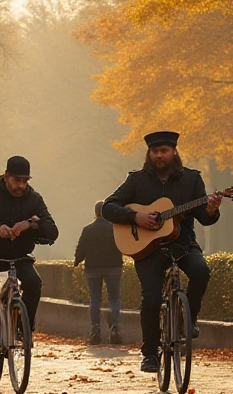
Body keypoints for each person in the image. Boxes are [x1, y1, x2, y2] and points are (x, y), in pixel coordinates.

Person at [102, 132, 221, 372]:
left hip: (183, 244)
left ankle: (190, 319)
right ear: (149, 154)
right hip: (147, 250)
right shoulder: (136, 180)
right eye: (155, 151)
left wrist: (211, 210)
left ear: (174, 152)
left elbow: (205, 219)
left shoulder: (192, 179)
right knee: (152, 298)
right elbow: (108, 207)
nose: (159, 155)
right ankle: (150, 354)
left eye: (164, 151)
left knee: (201, 272)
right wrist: (136, 216)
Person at [0, 156, 59, 363]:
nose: (21, 186)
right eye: (17, 180)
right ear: (6, 176)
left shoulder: (34, 199)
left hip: (18, 257)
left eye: (25, 181)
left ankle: (22, 328)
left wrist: (30, 225)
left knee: (34, 284)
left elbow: (52, 231)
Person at [74, 200, 125, 346]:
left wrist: (77, 261)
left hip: (93, 268)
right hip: (114, 267)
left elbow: (81, 248)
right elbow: (123, 245)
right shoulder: (115, 228)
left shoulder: (88, 229)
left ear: (95, 213)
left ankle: (95, 330)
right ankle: (114, 328)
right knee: (114, 298)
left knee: (95, 299)